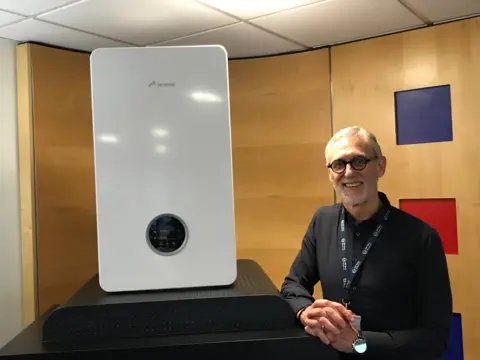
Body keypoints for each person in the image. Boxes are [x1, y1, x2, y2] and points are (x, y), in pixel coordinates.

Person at [280, 126, 453, 360]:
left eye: (359, 161)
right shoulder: (322, 221)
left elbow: (434, 340)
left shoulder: (422, 238)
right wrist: (306, 312)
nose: (349, 173)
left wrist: (358, 343)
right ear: (330, 173)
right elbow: (292, 285)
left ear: (380, 166)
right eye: (339, 164)